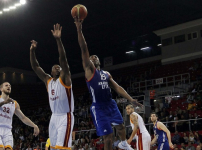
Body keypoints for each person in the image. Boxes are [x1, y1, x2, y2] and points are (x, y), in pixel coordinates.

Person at [74, 17, 142, 150]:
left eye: (96, 57)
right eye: (92, 57)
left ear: (99, 61)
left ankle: (123, 143)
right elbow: (83, 48)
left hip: (110, 104)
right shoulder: (89, 70)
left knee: (121, 128)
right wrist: (79, 29)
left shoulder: (106, 74)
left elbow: (117, 87)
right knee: (109, 138)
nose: (94, 58)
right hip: (98, 108)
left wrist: (130, 99)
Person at [30, 23, 74, 149]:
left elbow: (63, 59)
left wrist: (58, 40)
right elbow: (35, 67)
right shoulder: (48, 80)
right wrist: (32, 51)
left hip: (66, 116)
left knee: (62, 148)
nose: (58, 67)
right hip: (54, 117)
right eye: (55, 67)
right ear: (51, 72)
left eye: (59, 67)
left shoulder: (65, 79)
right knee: (53, 147)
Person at [0, 82, 40, 150]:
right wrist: (4, 103)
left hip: (8, 130)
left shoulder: (14, 103)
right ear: (1, 89)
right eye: (6, 85)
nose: (8, 86)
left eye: (10, 86)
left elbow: (23, 118)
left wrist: (34, 125)